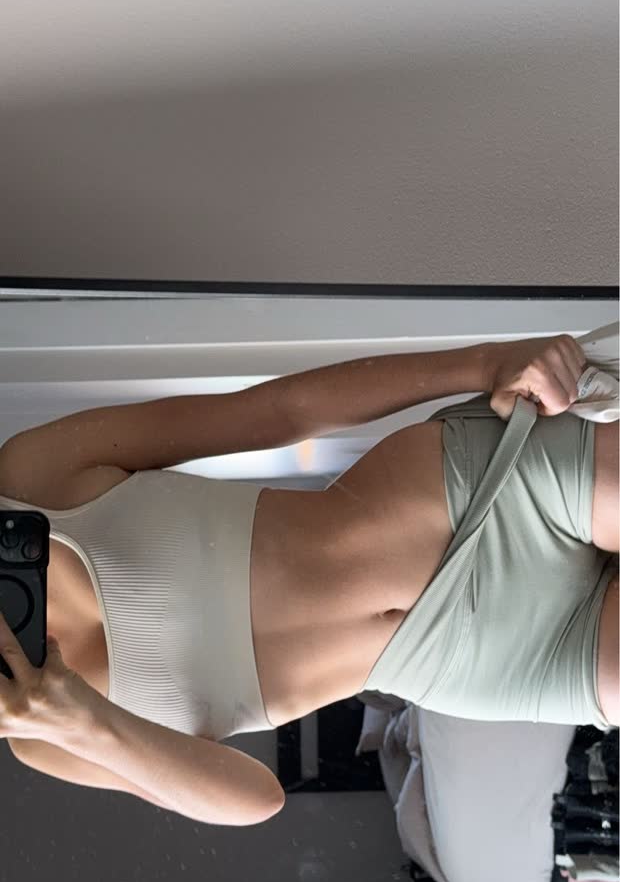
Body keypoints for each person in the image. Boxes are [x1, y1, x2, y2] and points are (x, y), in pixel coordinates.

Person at [0, 329, 617, 826]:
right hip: (485, 660)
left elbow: (275, 412)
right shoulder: (38, 736)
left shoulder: (32, 476)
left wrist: (487, 362)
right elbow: (255, 799)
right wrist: (82, 723)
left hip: (470, 491)